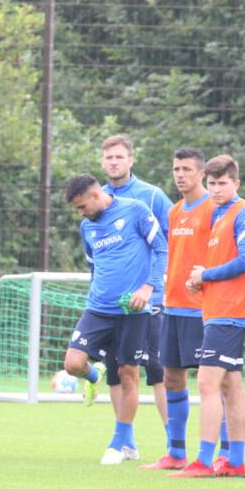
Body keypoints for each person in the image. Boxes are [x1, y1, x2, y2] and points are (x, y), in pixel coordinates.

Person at [61, 173, 167, 465]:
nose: (80, 214)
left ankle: (120, 441)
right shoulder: (87, 227)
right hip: (98, 308)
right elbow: (94, 266)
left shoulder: (135, 210)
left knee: (127, 374)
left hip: (134, 311)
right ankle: (92, 377)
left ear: (96, 196)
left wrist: (148, 287)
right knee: (72, 363)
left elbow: (161, 248)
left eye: (82, 207)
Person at [170, 155, 245, 478]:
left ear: (236, 183)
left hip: (231, 312)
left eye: (223, 183)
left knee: (207, 383)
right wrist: (200, 282)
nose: (217, 189)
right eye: (212, 184)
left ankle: (204, 460)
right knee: (231, 386)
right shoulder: (218, 215)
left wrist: (206, 274)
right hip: (218, 310)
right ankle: (236, 461)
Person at [141, 148, 219, 469]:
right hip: (172, 306)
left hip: (202, 309)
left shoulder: (214, 209)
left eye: (186, 169)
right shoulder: (174, 212)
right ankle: (175, 453)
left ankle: (223, 454)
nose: (180, 174)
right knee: (171, 377)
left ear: (201, 174)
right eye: (176, 169)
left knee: (214, 382)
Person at [100, 135, 172, 454]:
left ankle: (175, 442)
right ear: (102, 162)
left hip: (149, 302)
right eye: (109, 158)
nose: (114, 162)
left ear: (131, 160)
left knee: (157, 370)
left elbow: (173, 238)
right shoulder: (97, 198)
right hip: (110, 305)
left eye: (119, 157)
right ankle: (125, 441)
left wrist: (159, 283)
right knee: (117, 371)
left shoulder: (152, 196)